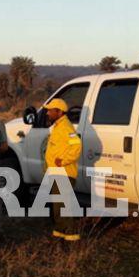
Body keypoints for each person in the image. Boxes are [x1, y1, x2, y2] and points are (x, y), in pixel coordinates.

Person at [43, 98, 82, 242]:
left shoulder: (66, 127)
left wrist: (63, 160)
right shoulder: (58, 126)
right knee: (58, 204)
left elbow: (76, 146)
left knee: (63, 205)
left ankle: (71, 236)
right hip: (56, 172)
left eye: (50, 110)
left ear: (59, 112)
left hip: (64, 172)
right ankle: (60, 232)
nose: (47, 113)